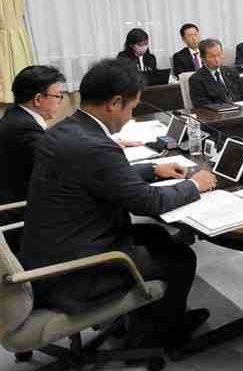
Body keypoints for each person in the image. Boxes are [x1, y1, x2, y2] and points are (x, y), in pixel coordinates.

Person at [21, 58, 217, 351]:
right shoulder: (96, 145)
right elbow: (147, 203)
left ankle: (148, 320)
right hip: (75, 274)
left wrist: (152, 170)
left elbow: (97, 178)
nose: (129, 116)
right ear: (114, 103)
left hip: (48, 253)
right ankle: (165, 336)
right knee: (181, 259)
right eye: (131, 108)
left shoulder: (65, 130)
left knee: (156, 236)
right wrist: (194, 185)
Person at [0, 66, 66, 223]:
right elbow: (57, 163)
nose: (60, 101)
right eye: (58, 96)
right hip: (23, 216)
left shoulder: (16, 115)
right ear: (37, 99)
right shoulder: (23, 128)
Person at [189, 38, 243, 107]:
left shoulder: (231, 71)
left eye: (219, 55)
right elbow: (202, 105)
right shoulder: (196, 79)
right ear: (202, 58)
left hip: (239, 112)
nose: (217, 59)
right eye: (212, 56)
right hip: (216, 115)